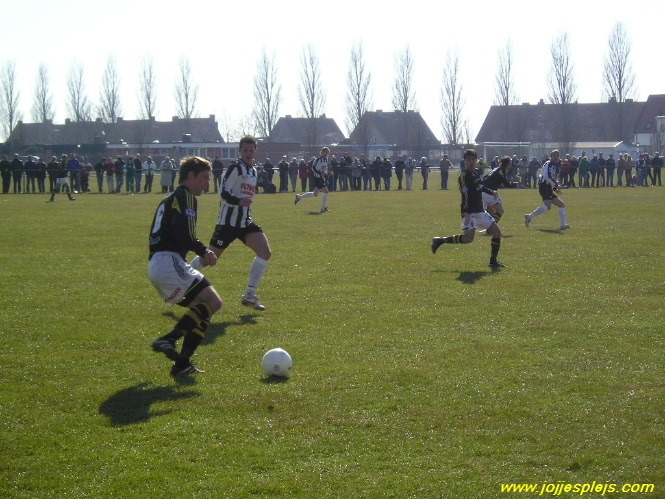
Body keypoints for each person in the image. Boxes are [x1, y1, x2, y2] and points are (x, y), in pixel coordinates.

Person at [148, 156, 222, 377]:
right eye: (203, 178)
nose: (206, 183)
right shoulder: (186, 196)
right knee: (214, 301)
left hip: (157, 264)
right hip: (169, 261)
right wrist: (203, 251)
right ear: (190, 176)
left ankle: (182, 364)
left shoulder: (168, 199)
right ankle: (168, 339)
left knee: (201, 310)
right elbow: (186, 233)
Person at [191, 135, 272, 311]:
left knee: (265, 252)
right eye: (245, 150)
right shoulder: (235, 168)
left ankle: (249, 295)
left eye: (251, 150)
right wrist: (238, 201)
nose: (249, 153)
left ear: (256, 151)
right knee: (209, 259)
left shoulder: (254, 171)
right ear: (239, 151)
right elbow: (223, 192)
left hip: (245, 222)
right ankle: (182, 277)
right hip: (227, 223)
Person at [431, 149, 505, 270]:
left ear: (476, 160)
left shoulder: (476, 172)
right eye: (468, 159)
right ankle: (440, 241)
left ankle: (493, 261)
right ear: (465, 161)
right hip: (470, 212)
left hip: (481, 210)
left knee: (497, 232)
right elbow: (464, 195)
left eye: (473, 159)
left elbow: (480, 186)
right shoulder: (464, 176)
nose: (471, 161)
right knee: (468, 239)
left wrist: (491, 192)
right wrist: (464, 212)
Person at [524, 149, 570, 230]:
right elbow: (546, 176)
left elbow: (550, 179)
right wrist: (556, 185)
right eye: (554, 155)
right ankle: (529, 217)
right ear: (550, 156)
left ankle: (563, 224)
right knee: (547, 206)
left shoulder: (554, 166)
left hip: (548, 187)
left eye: (557, 156)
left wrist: (555, 188)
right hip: (544, 186)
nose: (556, 157)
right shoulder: (549, 164)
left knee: (561, 205)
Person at [482, 156, 519, 224]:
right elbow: (506, 184)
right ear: (507, 164)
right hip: (490, 193)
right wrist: (514, 184)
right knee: (500, 210)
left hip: (484, 191)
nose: (511, 165)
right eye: (510, 163)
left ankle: (487, 222)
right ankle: (491, 228)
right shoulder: (502, 170)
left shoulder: (497, 168)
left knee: (492, 209)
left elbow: (485, 178)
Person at [295, 146, 331, 212]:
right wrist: (320, 173)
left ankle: (299, 197)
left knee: (315, 194)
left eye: (327, 152)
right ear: (322, 152)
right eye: (325, 152)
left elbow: (324, 169)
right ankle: (324, 208)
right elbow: (313, 168)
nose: (326, 154)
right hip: (317, 177)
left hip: (321, 178)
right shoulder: (318, 159)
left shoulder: (326, 159)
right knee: (326, 191)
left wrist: (327, 173)